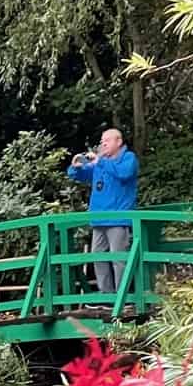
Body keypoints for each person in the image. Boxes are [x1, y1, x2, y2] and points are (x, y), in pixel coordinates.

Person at [67, 128, 140, 300]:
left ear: (118, 142)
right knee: (98, 256)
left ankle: (123, 297)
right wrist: (75, 166)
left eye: (107, 140)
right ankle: (106, 296)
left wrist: (100, 161)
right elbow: (80, 175)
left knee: (118, 259)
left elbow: (124, 173)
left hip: (118, 218)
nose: (103, 143)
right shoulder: (101, 162)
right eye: (102, 140)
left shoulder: (128, 158)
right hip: (98, 219)